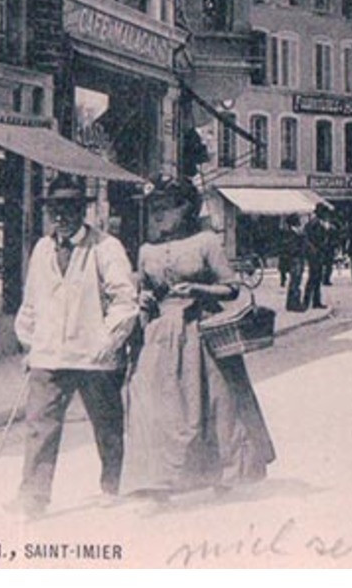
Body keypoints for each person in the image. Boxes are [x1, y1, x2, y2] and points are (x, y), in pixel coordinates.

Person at [122, 177, 276, 500]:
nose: (158, 216)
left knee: (214, 404)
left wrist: (198, 289)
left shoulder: (205, 242)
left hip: (200, 332)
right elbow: (145, 290)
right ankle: (158, 479)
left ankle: (223, 474)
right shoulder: (146, 250)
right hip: (160, 336)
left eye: (166, 208)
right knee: (151, 404)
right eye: (154, 210)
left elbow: (231, 287)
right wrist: (145, 299)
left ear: (185, 209)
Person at [10, 174, 139, 518]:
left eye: (68, 208)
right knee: (40, 425)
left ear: (81, 211)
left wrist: (109, 340)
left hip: (94, 356)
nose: (61, 216)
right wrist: (29, 343)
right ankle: (34, 497)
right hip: (50, 354)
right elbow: (32, 301)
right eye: (55, 209)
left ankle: (111, 483)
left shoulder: (105, 247)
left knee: (107, 424)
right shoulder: (41, 249)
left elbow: (125, 300)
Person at [303, 205, 333, 309]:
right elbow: (310, 240)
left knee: (317, 278)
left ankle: (315, 301)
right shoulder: (314, 224)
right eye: (324, 213)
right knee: (313, 278)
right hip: (315, 254)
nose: (326, 215)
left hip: (318, 254)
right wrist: (314, 249)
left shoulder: (317, 223)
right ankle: (308, 301)